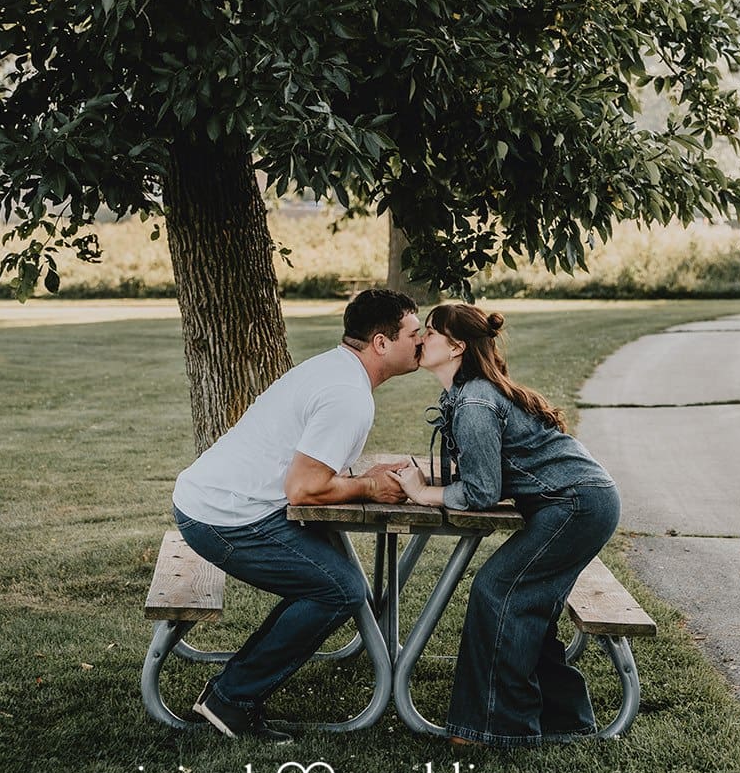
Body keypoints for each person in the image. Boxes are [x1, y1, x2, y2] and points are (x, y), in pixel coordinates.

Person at [172, 287, 421, 741]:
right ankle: (231, 700)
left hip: (219, 501)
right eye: (414, 333)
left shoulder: (335, 369)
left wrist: (362, 477)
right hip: (225, 517)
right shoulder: (348, 394)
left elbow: (313, 467)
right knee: (341, 589)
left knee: (335, 580)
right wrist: (369, 486)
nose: (421, 343)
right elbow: (304, 488)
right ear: (382, 343)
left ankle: (234, 690)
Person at [394, 302, 620, 748]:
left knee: (498, 591)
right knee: (524, 604)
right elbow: (487, 477)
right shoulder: (466, 394)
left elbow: (479, 493)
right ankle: (564, 718)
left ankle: (496, 728)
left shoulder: (476, 400)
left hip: (576, 504)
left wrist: (423, 494)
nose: (422, 340)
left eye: (432, 334)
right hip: (578, 502)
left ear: (457, 347)